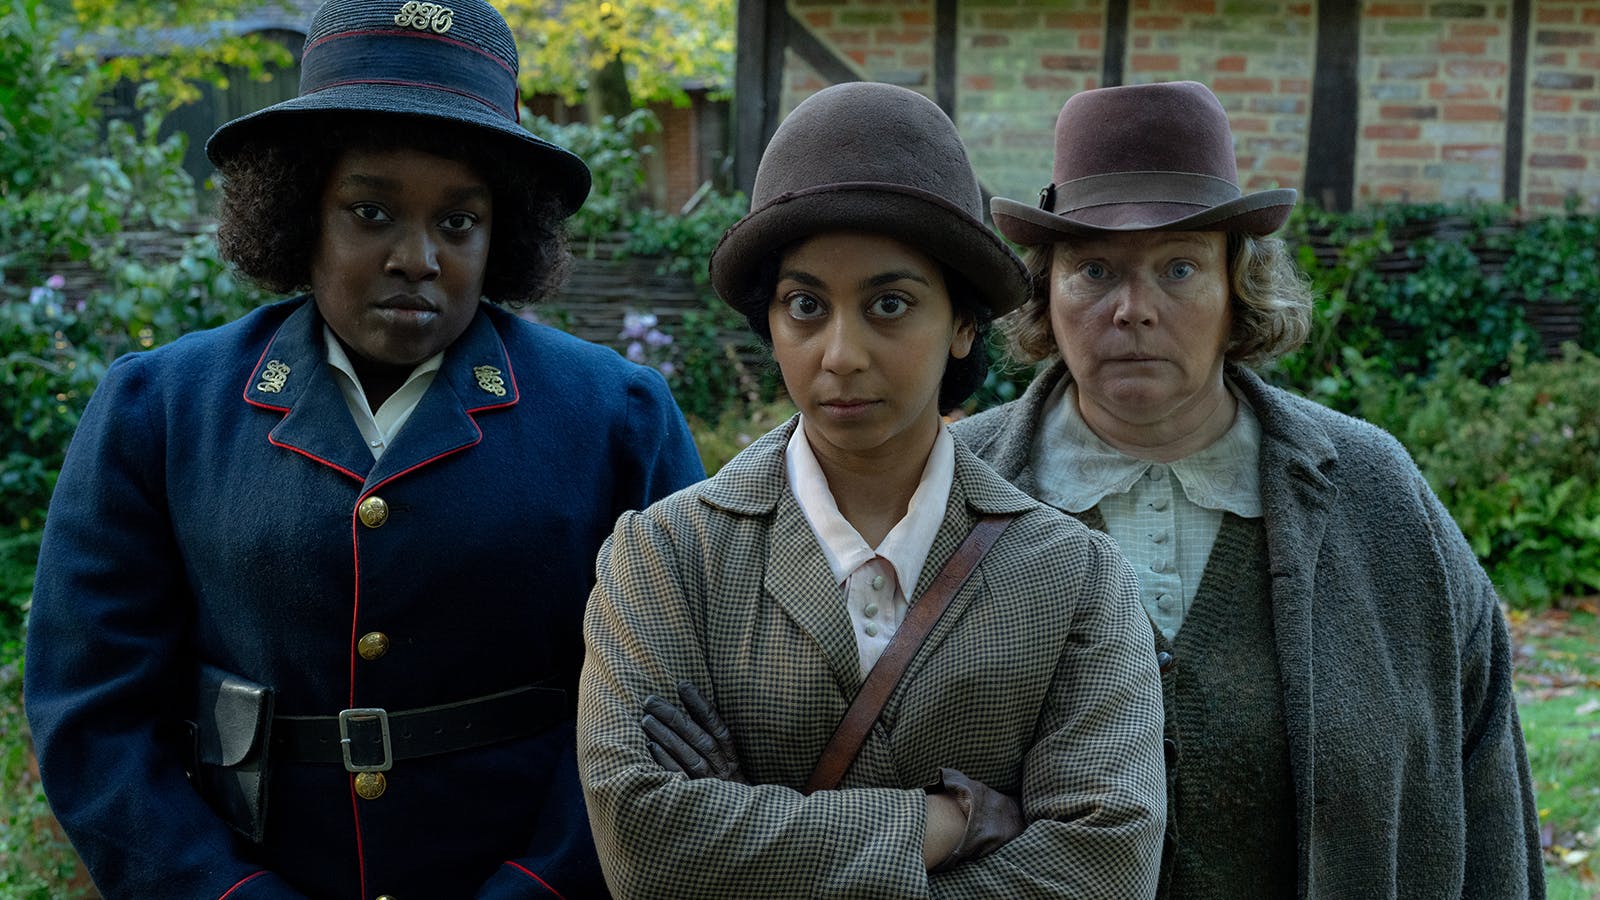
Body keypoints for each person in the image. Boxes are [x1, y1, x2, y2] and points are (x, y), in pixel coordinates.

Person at [23, 0, 704, 897]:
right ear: (301, 214)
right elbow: (91, 714)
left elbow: (670, 714)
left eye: (459, 222)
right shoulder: (161, 407)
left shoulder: (618, 418)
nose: (417, 256)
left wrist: (540, 889)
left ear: (503, 233)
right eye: (371, 211)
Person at [951, 80, 1545, 899]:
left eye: (1180, 267)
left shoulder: (1374, 493)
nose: (1133, 310)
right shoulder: (958, 492)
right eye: (1094, 269)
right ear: (1044, 296)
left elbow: (1486, 790)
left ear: (1239, 293)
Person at [575, 80, 1166, 898]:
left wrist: (747, 826)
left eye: (889, 304)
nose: (841, 353)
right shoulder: (668, 559)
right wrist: (945, 824)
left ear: (963, 323)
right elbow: (646, 847)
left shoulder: (1074, 580)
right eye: (806, 305)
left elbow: (1104, 869)